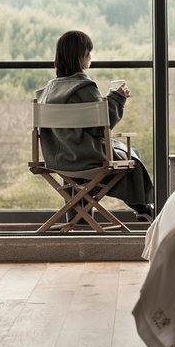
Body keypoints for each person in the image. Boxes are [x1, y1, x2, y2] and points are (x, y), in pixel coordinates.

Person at [35, 30, 155, 221]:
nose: (90, 56)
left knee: (78, 179)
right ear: (80, 56)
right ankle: (142, 207)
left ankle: (79, 219)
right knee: (131, 157)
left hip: (59, 159)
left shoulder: (49, 90)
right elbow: (101, 127)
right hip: (87, 157)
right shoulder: (84, 88)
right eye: (88, 52)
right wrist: (118, 97)